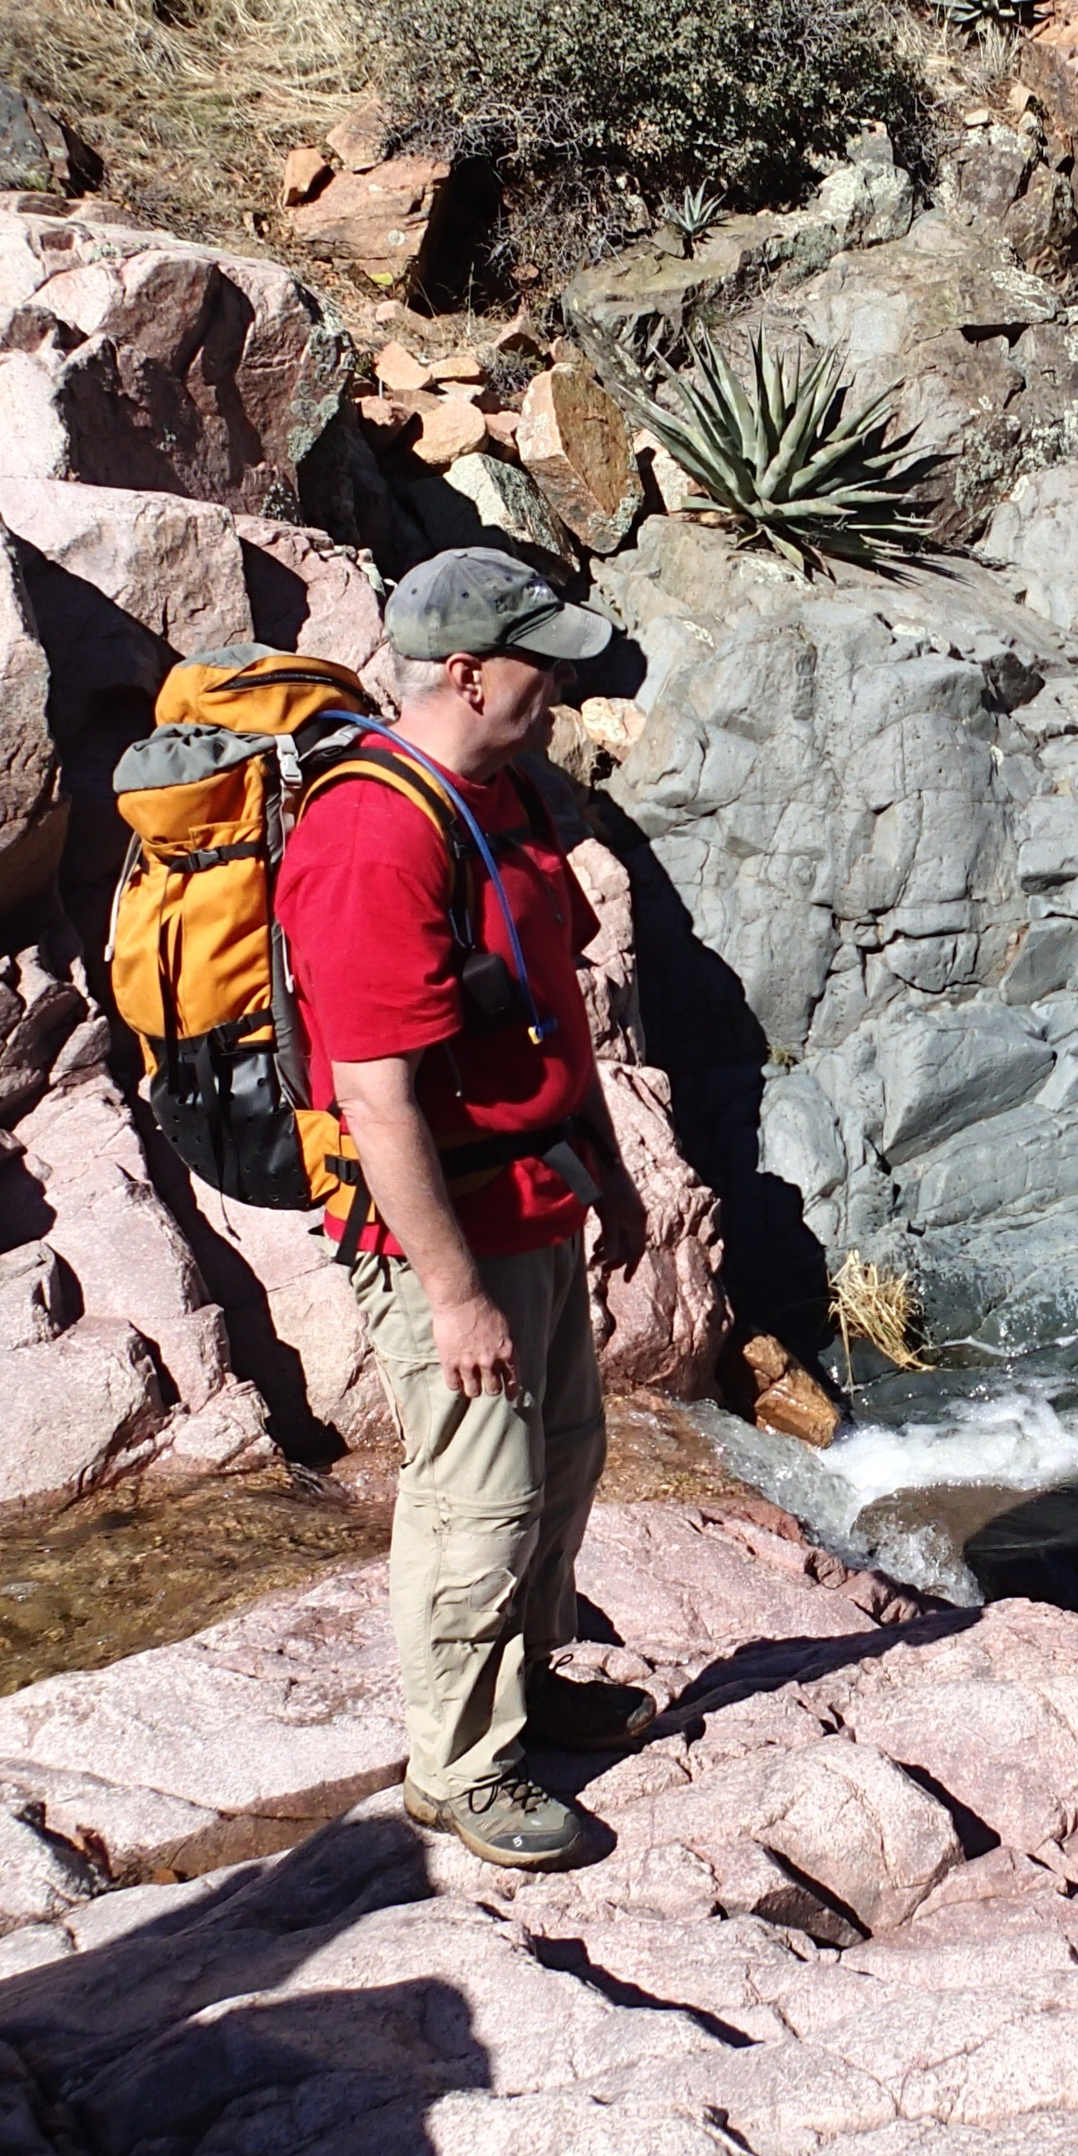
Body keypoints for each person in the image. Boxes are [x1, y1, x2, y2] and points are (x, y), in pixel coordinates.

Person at [276, 545, 654, 1872]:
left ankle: (528, 1686)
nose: (557, 687)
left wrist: (604, 1163)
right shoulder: (373, 832)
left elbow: (550, 1001)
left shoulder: (507, 793)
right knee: (476, 1498)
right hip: (446, 1232)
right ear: (465, 670)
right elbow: (378, 1099)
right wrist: (451, 1291)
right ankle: (462, 1767)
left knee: (561, 1458)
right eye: (537, 664)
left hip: (536, 1194)